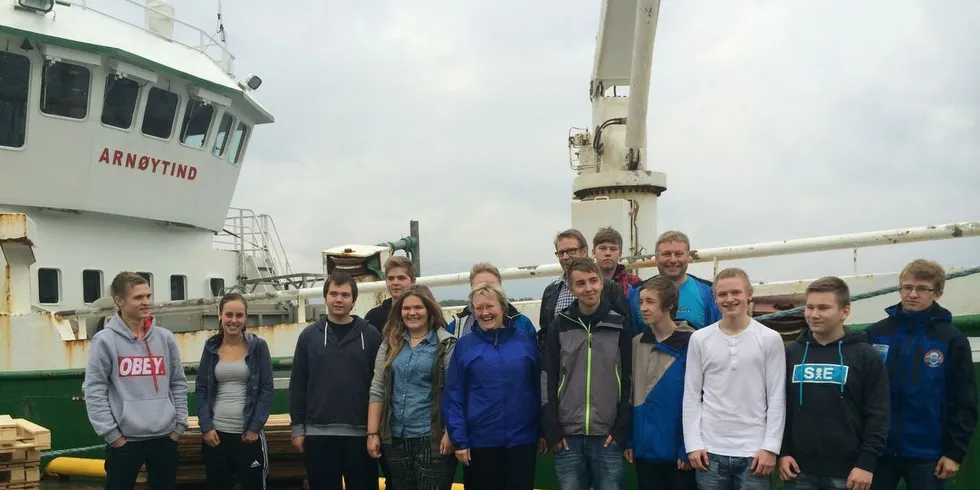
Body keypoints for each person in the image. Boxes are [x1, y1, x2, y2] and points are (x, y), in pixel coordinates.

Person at [866, 259, 978, 490]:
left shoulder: (951, 339)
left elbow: (964, 400)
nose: (913, 294)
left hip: (929, 455)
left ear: (937, 293)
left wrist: (954, 453)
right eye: (907, 287)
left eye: (922, 289)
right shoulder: (876, 333)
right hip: (879, 452)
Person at [778, 277, 890, 490]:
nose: (814, 314)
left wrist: (866, 463)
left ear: (845, 312)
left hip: (849, 473)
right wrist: (783, 452)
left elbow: (878, 414)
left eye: (823, 308)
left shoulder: (865, 356)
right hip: (798, 471)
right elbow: (780, 407)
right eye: (809, 307)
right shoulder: (791, 353)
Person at [82, 272, 188, 490]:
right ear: (119, 301)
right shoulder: (105, 340)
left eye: (148, 296)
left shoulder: (165, 338)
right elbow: (94, 389)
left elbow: (177, 382)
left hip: (165, 437)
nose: (147, 302)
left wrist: (178, 426)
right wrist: (112, 435)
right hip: (125, 441)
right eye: (138, 297)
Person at [683, 267, 785, 490]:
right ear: (714, 298)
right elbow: (691, 396)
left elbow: (777, 397)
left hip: (754, 454)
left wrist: (770, 448)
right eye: (722, 294)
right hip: (710, 453)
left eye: (736, 292)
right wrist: (693, 444)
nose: (729, 299)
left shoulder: (770, 339)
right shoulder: (700, 339)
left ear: (749, 294)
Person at [541, 257, 632, 490]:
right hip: (567, 436)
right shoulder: (560, 324)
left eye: (593, 281)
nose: (588, 288)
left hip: (607, 436)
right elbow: (547, 378)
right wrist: (552, 428)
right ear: (571, 289)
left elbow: (629, 378)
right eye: (581, 283)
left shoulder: (619, 324)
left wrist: (621, 428)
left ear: (601, 282)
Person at [443, 282, 543, 490]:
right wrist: (460, 440)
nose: (485, 313)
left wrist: (542, 430)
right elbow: (454, 394)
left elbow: (538, 387)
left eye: (490, 307)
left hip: (522, 441)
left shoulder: (524, 341)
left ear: (503, 308)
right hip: (480, 443)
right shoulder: (465, 346)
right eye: (478, 308)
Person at [288, 271, 383, 490]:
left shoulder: (370, 335)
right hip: (318, 435)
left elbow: (379, 386)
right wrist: (298, 428)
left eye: (345, 295)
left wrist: (374, 431)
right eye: (333, 294)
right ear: (325, 297)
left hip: (361, 435)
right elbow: (299, 383)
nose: (338, 299)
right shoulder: (309, 336)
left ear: (353, 300)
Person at [366, 285, 458, 490]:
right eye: (406, 308)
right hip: (396, 439)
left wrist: (451, 432)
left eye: (418, 307)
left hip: (433, 440)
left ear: (429, 310)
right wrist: (373, 433)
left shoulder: (446, 344)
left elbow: (455, 392)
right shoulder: (389, 344)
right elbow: (377, 388)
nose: (412, 313)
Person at [195, 292, 275, 490]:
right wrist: (206, 427)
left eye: (239, 315)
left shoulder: (258, 347)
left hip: (248, 436)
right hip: (217, 437)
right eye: (229, 314)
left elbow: (266, 389)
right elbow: (202, 389)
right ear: (220, 316)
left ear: (245, 318)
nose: (234, 320)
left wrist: (255, 427)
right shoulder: (211, 347)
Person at [624, 276, 697, 490]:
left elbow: (700, 398)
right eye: (641, 302)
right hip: (644, 451)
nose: (643, 308)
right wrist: (630, 439)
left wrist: (688, 446)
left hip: (678, 453)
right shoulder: (636, 344)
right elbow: (630, 394)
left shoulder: (693, 342)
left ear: (669, 304)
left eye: (650, 302)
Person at [539, 229, 629, 344]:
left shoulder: (610, 288)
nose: (565, 257)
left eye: (571, 251)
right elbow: (545, 333)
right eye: (561, 252)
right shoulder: (551, 291)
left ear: (584, 251)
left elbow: (623, 329)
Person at [628, 230, 721, 333]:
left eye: (678, 254)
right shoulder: (636, 293)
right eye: (666, 254)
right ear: (656, 258)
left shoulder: (708, 292)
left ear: (688, 257)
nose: (673, 260)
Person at [446, 262, 536, 339]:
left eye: (491, 286)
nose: (485, 290)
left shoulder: (523, 324)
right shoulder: (457, 327)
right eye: (479, 287)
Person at [365, 255, 417, 335]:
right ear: (386, 281)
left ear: (413, 281)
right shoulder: (374, 317)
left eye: (401, 278)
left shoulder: (426, 313)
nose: (395, 283)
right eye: (391, 278)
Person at [592, 227, 642, 296]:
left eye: (613, 249)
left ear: (620, 254)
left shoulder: (634, 282)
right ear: (594, 253)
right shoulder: (585, 281)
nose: (608, 253)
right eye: (602, 248)